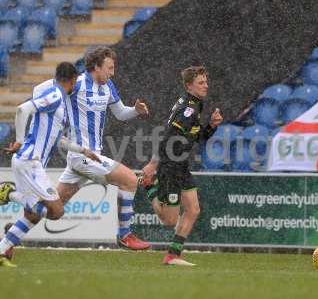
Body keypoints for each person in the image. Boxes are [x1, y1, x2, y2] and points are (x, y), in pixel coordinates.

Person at [0, 62, 100, 267]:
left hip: (27, 162)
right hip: (30, 161)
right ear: (72, 80)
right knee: (56, 211)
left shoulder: (59, 101)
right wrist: (19, 140)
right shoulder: (55, 94)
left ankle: (2, 250)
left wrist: (83, 151)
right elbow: (22, 109)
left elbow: (58, 140)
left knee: (33, 215)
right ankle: (9, 193)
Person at [55, 46, 150, 250]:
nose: (112, 72)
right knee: (130, 180)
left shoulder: (108, 86)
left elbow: (120, 113)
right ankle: (125, 235)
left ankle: (9, 233)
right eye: (109, 68)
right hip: (81, 156)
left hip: (91, 156)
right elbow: (55, 99)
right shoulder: (77, 84)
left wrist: (135, 110)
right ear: (96, 67)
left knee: (53, 210)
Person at [142, 66, 223, 266]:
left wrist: (212, 126)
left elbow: (196, 138)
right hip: (170, 166)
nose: (206, 85)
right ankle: (148, 187)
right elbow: (167, 136)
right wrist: (153, 164)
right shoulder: (189, 109)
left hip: (181, 165)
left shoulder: (194, 105)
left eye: (206, 81)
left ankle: (172, 255)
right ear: (189, 86)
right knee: (169, 220)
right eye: (201, 83)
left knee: (193, 210)